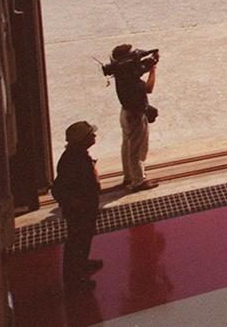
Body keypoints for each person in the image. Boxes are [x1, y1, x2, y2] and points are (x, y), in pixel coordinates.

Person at [52, 121, 103, 291]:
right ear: (82, 140)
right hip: (79, 210)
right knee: (76, 241)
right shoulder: (72, 161)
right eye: (91, 134)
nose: (94, 136)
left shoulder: (78, 156)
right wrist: (74, 203)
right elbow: (58, 190)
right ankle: (74, 279)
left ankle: (82, 263)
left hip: (86, 206)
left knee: (85, 237)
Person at [110, 44, 158, 192]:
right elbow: (149, 88)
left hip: (126, 113)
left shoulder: (121, 72)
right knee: (137, 150)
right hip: (136, 116)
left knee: (127, 146)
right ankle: (138, 181)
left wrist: (146, 64)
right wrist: (153, 71)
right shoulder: (132, 80)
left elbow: (135, 71)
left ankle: (129, 177)